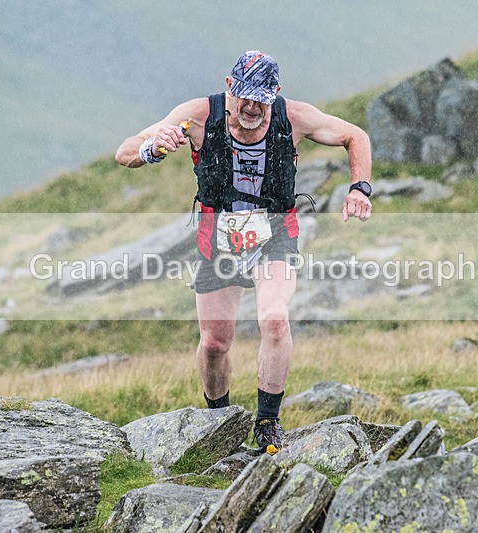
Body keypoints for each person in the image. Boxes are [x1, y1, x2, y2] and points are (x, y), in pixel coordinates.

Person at [116, 51, 372, 455]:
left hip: (275, 236)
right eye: (245, 97)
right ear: (230, 87)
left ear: (276, 94)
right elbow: (124, 151)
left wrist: (359, 187)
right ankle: (218, 420)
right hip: (217, 242)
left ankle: (267, 422)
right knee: (216, 343)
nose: (252, 108)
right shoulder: (199, 116)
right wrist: (152, 147)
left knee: (273, 320)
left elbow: (355, 135)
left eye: (262, 100)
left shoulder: (294, 117)